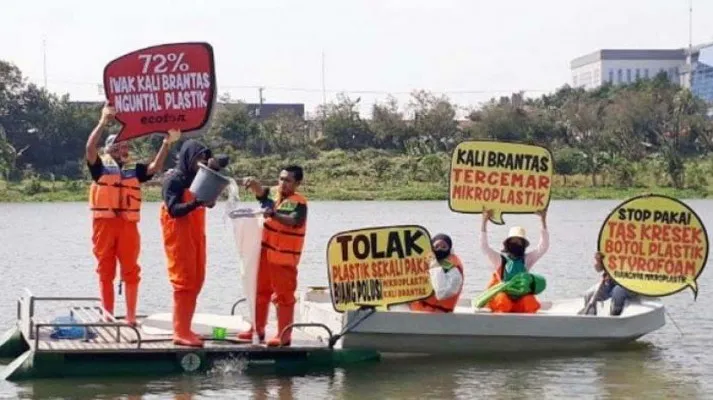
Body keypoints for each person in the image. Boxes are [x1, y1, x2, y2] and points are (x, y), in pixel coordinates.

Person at [85, 102, 179, 325]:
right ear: (110, 149)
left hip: (128, 226)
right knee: (105, 271)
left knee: (131, 271)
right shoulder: (99, 167)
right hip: (104, 226)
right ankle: (107, 317)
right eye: (119, 146)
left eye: (125, 146)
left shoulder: (133, 170)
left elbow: (154, 167)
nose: (124, 150)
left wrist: (167, 142)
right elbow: (90, 148)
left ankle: (130, 318)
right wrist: (103, 121)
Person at [238, 165, 308, 347]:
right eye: (281, 179)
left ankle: (284, 335)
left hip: (284, 259)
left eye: (288, 180)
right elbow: (263, 198)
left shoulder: (299, 203)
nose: (283, 183)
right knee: (260, 292)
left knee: (284, 298)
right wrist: (255, 186)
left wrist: (274, 214)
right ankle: (257, 329)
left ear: (297, 183)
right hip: (266, 255)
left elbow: (292, 220)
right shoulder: (277, 200)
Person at [159, 139, 219, 347]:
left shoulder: (200, 178)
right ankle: (180, 331)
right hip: (178, 236)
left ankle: (186, 327)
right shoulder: (173, 179)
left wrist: (208, 199)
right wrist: (196, 203)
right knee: (183, 283)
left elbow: (205, 203)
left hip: (196, 235)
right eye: (199, 157)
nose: (201, 161)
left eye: (204, 157)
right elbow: (174, 210)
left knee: (196, 281)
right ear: (188, 157)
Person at [480, 209, 549, 313]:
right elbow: (484, 247)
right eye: (513, 241)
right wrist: (484, 222)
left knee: (529, 302)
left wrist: (543, 220)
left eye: (519, 241)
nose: (516, 243)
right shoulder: (500, 259)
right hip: (503, 297)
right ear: (508, 244)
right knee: (502, 301)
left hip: (520, 297)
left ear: (523, 245)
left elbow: (543, 247)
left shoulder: (527, 259)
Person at [409, 234, 464, 313]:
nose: (440, 249)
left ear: (449, 249)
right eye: (436, 247)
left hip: (438, 315)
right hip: (417, 310)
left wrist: (434, 265)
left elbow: (441, 292)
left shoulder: (453, 269)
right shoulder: (425, 260)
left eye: (444, 247)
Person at [582, 252, 637, 316]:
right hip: (609, 284)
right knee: (588, 294)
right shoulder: (609, 249)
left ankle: (614, 317)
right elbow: (598, 269)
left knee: (617, 292)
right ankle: (590, 317)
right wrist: (598, 260)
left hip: (627, 285)